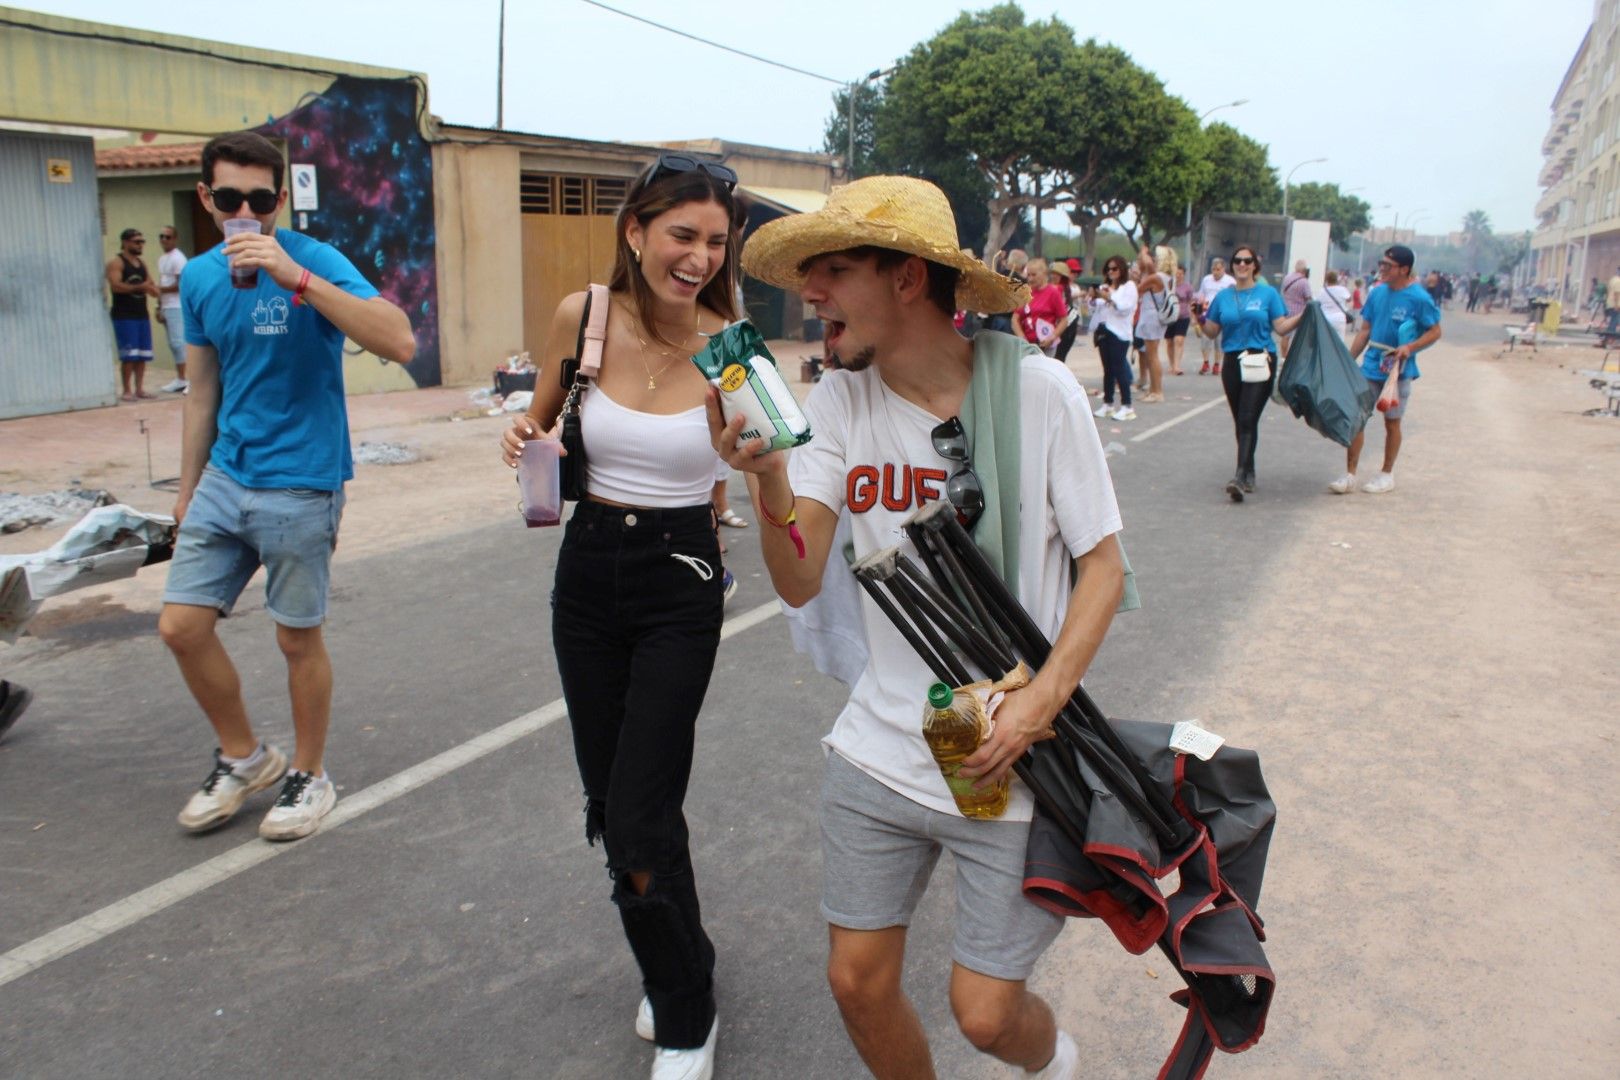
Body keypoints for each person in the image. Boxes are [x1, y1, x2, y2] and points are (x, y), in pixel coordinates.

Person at [723, 173, 1125, 1080]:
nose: (809, 292)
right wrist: (764, 477)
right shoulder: (837, 404)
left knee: (984, 1017)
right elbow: (795, 578)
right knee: (858, 983)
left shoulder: (1040, 393)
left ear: (907, 278)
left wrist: (1039, 704)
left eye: (830, 269)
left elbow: (1105, 568)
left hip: (1010, 755)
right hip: (881, 743)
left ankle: (1051, 1059)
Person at [499, 154, 743, 1079]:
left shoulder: (731, 340)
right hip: (587, 576)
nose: (699, 258)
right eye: (683, 235)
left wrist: (753, 455)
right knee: (616, 807)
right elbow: (542, 421)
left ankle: (687, 1014)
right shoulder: (583, 318)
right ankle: (679, 955)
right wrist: (522, 437)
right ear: (636, 231)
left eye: (716, 242)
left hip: (682, 580)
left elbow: (770, 453)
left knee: (640, 811)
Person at [158, 131, 416, 843]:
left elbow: (399, 340)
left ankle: (309, 773)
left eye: (262, 199)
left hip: (301, 481)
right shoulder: (202, 277)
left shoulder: (313, 259)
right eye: (232, 198)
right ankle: (245, 757)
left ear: (280, 199)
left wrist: (294, 276)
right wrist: (187, 490)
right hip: (226, 475)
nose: (248, 212)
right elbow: (201, 391)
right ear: (208, 199)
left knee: (296, 640)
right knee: (181, 627)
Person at [1195, 245, 1307, 501]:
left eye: (1247, 261)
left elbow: (1280, 327)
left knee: (1248, 417)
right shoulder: (1223, 296)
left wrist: (1303, 316)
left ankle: (1239, 475)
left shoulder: (1268, 294)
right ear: (1232, 265)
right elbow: (1212, 331)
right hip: (1233, 361)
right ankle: (1249, 471)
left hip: (1260, 359)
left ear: (1255, 265)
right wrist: (1199, 317)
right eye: (1238, 261)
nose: (1242, 265)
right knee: (1241, 420)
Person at [1328, 244, 1442, 495]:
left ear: (1404, 269)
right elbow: (1366, 330)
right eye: (1382, 264)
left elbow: (1435, 331)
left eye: (1388, 266)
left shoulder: (1420, 298)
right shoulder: (1377, 293)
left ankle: (1386, 473)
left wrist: (1410, 348)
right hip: (1371, 365)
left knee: (1392, 422)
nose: (1382, 269)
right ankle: (1350, 474)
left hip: (1398, 371)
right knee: (1357, 419)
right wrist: (1349, 359)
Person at [107, 227, 159, 401]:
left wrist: (153, 291)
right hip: (124, 315)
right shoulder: (117, 263)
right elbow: (115, 285)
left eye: (142, 241)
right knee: (129, 355)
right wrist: (140, 287)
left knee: (142, 354)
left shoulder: (141, 264)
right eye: (137, 242)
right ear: (125, 243)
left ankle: (139, 389)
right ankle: (127, 390)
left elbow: (150, 283)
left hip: (141, 314)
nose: (140, 245)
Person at [1092, 254, 1138, 420]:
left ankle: (1127, 406)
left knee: (1120, 369)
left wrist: (1109, 298)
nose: (1111, 272)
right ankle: (1108, 403)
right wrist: (1094, 297)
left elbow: (1125, 308)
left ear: (1122, 269)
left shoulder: (1129, 287)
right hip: (1104, 330)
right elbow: (1097, 308)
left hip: (1120, 333)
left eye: (1114, 268)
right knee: (1108, 370)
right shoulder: (1105, 286)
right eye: (1108, 269)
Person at [1133, 248, 1172, 401]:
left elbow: (1137, 290)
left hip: (1151, 316)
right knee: (1150, 354)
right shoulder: (1166, 277)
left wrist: (1143, 251)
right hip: (1153, 316)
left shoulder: (1156, 277)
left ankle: (1157, 391)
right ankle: (1153, 389)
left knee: (1153, 355)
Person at [156, 225, 190, 393]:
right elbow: (162, 283)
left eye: (167, 237)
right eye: (161, 236)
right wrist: (159, 306)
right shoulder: (162, 259)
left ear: (174, 239)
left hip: (177, 305)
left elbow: (180, 284)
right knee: (173, 344)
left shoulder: (178, 258)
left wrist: (159, 289)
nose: (164, 240)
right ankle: (180, 378)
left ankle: (187, 379)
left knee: (180, 342)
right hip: (167, 305)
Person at [1011, 257, 1067, 357]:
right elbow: (1015, 319)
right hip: (1028, 344)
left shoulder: (1053, 292)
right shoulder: (1025, 293)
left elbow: (1064, 320)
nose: (1030, 278)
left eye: (1034, 275)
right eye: (1028, 275)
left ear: (1044, 274)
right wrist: (1022, 338)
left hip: (1046, 344)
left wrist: (1053, 337)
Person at [1193, 257, 1235, 375]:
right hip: (1207, 314)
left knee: (1219, 342)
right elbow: (1201, 295)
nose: (1215, 272)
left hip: (1222, 315)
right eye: (1213, 269)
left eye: (1218, 269)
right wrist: (1197, 315)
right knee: (1205, 340)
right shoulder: (1206, 279)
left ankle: (1217, 364)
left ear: (1223, 269)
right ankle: (1205, 362)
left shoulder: (1230, 281)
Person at [1050, 257, 1081, 362]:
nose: (1053, 275)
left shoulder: (1058, 288)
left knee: (1057, 358)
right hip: (1070, 322)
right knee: (1060, 358)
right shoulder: (1065, 288)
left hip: (1064, 325)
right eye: (1053, 273)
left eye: (1057, 273)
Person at [1279, 260, 1313, 356]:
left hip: (1286, 309)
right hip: (1298, 312)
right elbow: (1308, 298)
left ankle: (1283, 356)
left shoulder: (1287, 278)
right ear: (1304, 270)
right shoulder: (1304, 281)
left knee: (1286, 336)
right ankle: (1294, 356)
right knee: (1298, 336)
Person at [1165, 260, 1193, 376]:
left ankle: (1177, 365)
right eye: (1176, 273)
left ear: (1184, 274)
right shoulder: (1168, 285)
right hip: (1170, 316)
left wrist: (1193, 317)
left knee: (1179, 340)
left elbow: (1190, 301)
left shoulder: (1188, 287)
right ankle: (1171, 364)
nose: (1178, 275)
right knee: (1169, 342)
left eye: (1180, 273)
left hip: (1183, 316)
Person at [1318, 269, 1355, 343]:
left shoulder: (1322, 291)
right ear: (1337, 279)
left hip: (1325, 317)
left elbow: (1318, 303)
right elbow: (1349, 299)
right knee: (1340, 342)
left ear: (1326, 279)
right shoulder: (1342, 289)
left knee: (1325, 341)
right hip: (1339, 318)